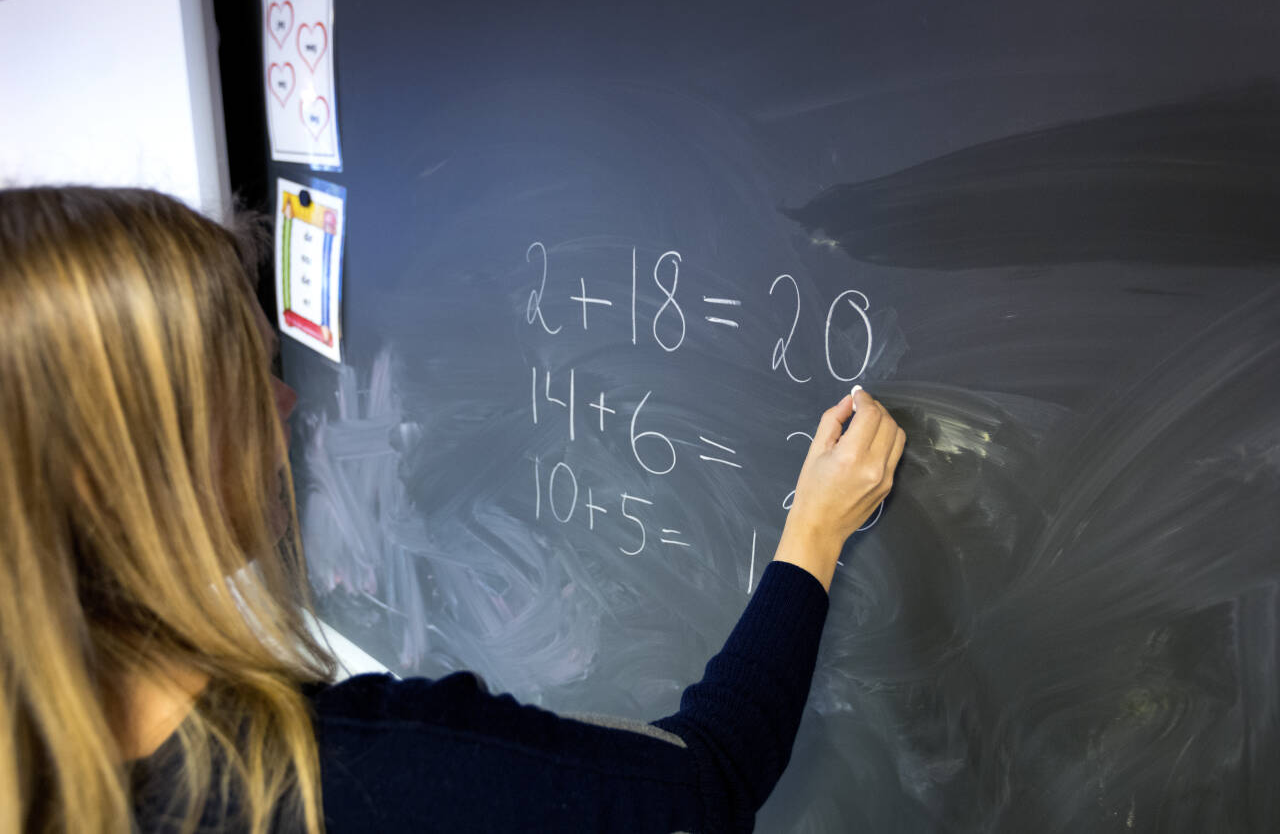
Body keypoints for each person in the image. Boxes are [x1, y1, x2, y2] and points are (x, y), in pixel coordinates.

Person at [0, 186, 905, 834]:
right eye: (246, 374)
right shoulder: (354, 778)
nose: (288, 404)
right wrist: (812, 534)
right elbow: (703, 782)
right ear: (121, 470)